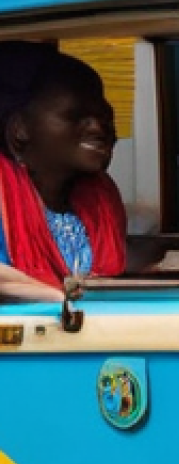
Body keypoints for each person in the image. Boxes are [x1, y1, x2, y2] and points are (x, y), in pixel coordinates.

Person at [0, 41, 125, 301]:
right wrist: (58, 299)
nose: (98, 128)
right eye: (77, 115)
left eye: (105, 117)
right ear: (20, 129)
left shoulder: (101, 200)